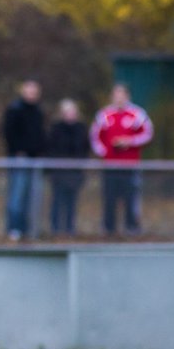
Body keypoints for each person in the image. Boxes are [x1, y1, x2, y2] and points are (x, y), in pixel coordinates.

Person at [90, 83, 154, 235]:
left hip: (130, 165)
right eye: (116, 95)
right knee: (109, 197)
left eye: (122, 95)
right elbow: (94, 137)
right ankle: (108, 228)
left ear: (127, 96)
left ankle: (131, 227)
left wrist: (129, 141)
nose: (119, 98)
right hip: (110, 165)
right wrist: (104, 153)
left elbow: (148, 134)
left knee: (131, 197)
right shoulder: (104, 114)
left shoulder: (137, 114)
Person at [2, 79, 46, 241]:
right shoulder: (15, 109)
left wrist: (40, 151)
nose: (32, 94)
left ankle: (28, 229)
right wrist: (18, 151)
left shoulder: (38, 111)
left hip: (35, 161)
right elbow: (9, 133)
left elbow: (40, 135)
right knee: (17, 194)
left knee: (32, 195)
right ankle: (14, 228)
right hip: (19, 159)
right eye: (29, 91)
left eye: (35, 92)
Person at [46, 99, 90, 236]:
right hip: (59, 172)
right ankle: (55, 228)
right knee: (57, 200)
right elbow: (50, 148)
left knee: (72, 202)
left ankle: (70, 228)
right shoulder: (56, 128)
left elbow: (85, 148)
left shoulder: (81, 128)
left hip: (74, 172)